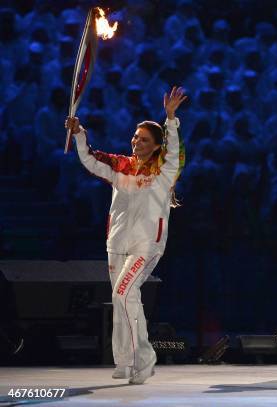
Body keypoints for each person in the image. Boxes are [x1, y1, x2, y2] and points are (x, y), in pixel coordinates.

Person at [65, 86, 187, 384]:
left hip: (147, 245)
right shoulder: (121, 166)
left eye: (144, 140)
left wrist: (170, 118)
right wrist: (79, 133)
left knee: (124, 293)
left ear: (157, 146)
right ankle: (124, 361)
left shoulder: (165, 170)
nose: (137, 142)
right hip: (117, 243)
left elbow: (175, 151)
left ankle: (143, 359)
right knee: (122, 298)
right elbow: (91, 159)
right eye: (135, 137)